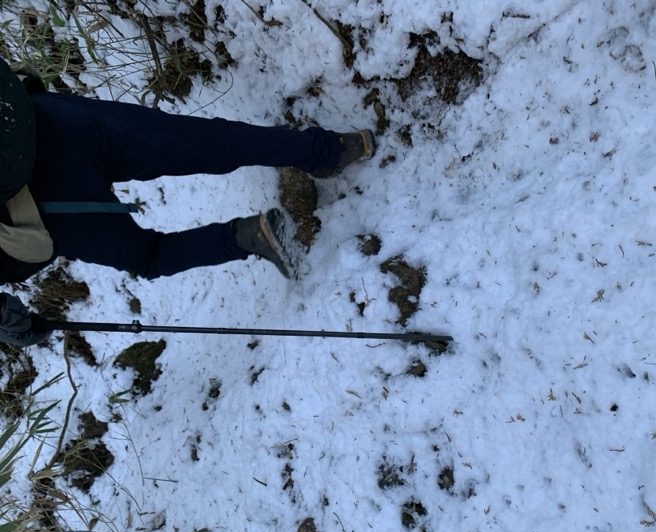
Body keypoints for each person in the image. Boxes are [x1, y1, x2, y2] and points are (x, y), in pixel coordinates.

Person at [0, 58, 376, 346]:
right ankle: (330, 149)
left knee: (147, 256)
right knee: (204, 142)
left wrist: (14, 325)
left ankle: (250, 236)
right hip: (32, 118)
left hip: (37, 200)